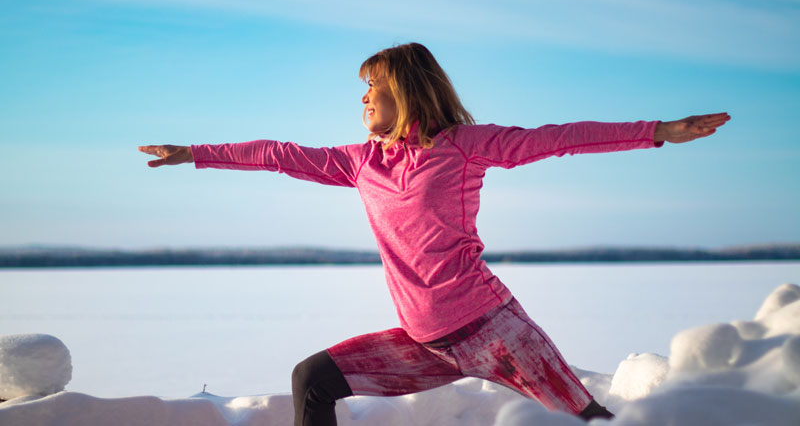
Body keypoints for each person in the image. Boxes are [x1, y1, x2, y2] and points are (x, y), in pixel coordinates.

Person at [139, 43, 730, 425]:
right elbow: (280, 154)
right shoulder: (359, 162)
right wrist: (194, 152)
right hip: (424, 343)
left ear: (405, 88)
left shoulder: (464, 148)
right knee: (312, 379)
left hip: (495, 331)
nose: (363, 96)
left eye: (373, 84)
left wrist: (658, 130)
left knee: (591, 422)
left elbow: (557, 136)